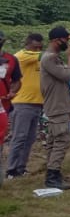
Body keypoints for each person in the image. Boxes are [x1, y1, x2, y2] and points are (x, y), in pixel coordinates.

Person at [38, 26, 70, 189]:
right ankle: (53, 176)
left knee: (54, 141)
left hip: (58, 105)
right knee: (62, 140)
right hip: (57, 106)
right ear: (56, 40)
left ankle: (53, 173)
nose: (68, 43)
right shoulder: (49, 58)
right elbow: (67, 76)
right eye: (66, 39)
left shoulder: (52, 58)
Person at [6, 33, 44, 179]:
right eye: (35, 47)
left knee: (30, 138)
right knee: (19, 137)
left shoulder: (37, 59)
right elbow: (46, 55)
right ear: (28, 45)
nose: (38, 50)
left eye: (40, 47)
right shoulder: (21, 56)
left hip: (36, 103)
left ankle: (21, 168)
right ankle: (11, 169)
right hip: (22, 103)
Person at [0, 30, 22, 114]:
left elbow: (17, 80)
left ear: (3, 41)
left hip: (4, 104)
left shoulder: (11, 59)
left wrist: (12, 91)